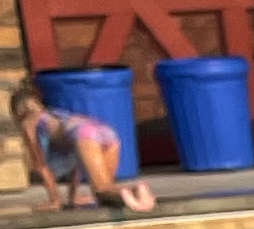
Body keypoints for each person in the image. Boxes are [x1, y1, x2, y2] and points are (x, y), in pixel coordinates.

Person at [10, 77, 155, 212]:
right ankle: (137, 193)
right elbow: (77, 160)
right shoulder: (55, 115)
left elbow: (41, 166)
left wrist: (55, 200)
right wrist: (73, 197)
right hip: (106, 131)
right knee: (106, 192)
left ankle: (135, 188)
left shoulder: (29, 123)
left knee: (102, 189)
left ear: (17, 111)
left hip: (87, 133)